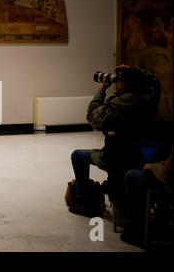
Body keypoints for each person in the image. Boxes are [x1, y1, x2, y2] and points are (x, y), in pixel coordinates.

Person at [68, 65, 161, 217]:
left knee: (77, 155)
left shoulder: (116, 105)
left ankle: (83, 201)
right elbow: (155, 82)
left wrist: (102, 90)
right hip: (141, 157)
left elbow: (92, 117)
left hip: (115, 158)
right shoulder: (149, 98)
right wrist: (133, 70)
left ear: (123, 84)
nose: (116, 83)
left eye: (118, 80)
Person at [121, 145, 173, 247]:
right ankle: (162, 222)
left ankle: (136, 231)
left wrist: (153, 166)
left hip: (169, 180)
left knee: (131, 175)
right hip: (167, 173)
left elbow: (166, 171)